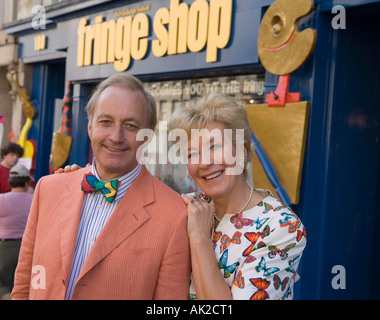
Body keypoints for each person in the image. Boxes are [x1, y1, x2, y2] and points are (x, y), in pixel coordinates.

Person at [11, 74, 191, 300]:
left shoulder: (175, 214)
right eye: (106, 121)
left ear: (148, 136)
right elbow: (24, 285)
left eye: (130, 125)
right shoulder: (48, 189)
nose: (116, 137)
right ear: (89, 128)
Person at [168, 92, 307, 300]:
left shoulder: (280, 227)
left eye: (214, 146)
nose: (204, 162)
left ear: (242, 151)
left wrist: (199, 238)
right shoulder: (186, 208)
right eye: (192, 154)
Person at [0, 164, 34, 300]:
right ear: (27, 182)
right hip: (26, 247)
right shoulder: (34, 199)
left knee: (3, 285)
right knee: (22, 284)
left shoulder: (2, 199)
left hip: (4, 248)